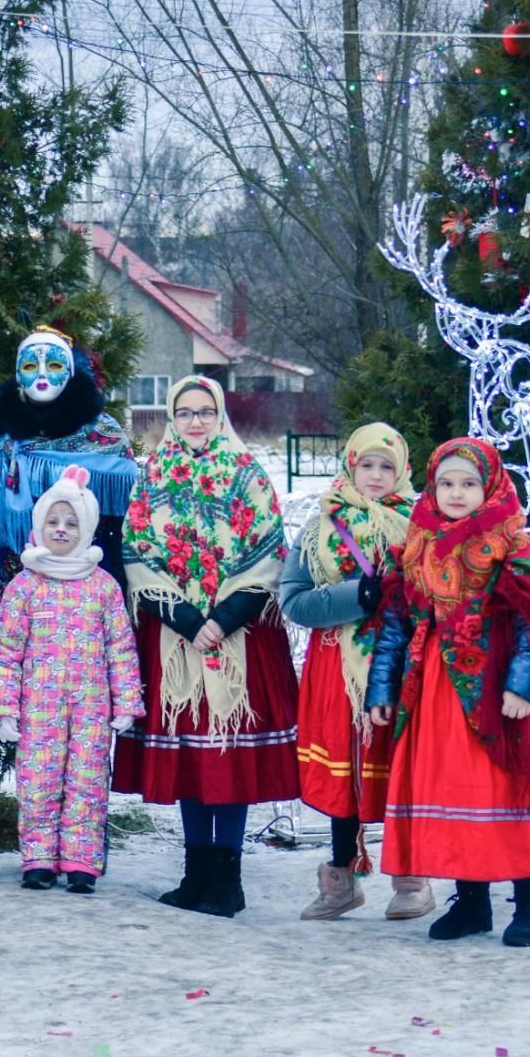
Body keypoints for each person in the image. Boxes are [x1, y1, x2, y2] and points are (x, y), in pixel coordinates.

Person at [111, 375, 299, 917]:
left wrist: (223, 617)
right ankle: (196, 873)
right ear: (173, 418)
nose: (196, 421)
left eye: (205, 411)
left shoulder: (247, 474)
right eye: (186, 412)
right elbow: (138, 551)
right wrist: (190, 620)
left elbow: (267, 549)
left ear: (220, 415)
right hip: (176, 634)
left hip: (239, 632)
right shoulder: (155, 476)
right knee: (192, 759)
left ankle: (228, 877)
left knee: (228, 754)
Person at [366, 437, 530, 947]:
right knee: (449, 787)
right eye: (446, 483)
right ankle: (471, 899)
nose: (456, 493)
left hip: (493, 685)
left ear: (490, 486)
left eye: (468, 483)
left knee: (499, 785)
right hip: (433, 688)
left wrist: (522, 684)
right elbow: (396, 619)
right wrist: (382, 688)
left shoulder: (513, 544)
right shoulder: (419, 542)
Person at [279, 423, 435, 921]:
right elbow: (294, 601)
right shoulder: (321, 525)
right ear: (349, 465)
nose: (375, 475)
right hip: (335, 667)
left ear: (403, 470)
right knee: (343, 772)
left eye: (386, 466)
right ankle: (342, 877)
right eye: (366, 464)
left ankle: (412, 877)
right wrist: (357, 597)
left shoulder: (423, 525)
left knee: (400, 767)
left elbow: (439, 592)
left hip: (402, 663)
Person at [0, 465, 143, 893]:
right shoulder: (24, 585)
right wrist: (2, 706)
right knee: (38, 780)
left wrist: (127, 701)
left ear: (87, 527)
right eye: (52, 521)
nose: (60, 529)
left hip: (92, 708)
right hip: (39, 707)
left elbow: (121, 648)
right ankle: (38, 858)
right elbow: (5, 651)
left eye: (71, 522)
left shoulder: (102, 586)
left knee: (87, 782)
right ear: (39, 525)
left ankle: (80, 861)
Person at [0, 326, 137, 650]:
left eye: (55, 366)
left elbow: (127, 519)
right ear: (19, 375)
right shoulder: (3, 441)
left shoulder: (104, 436)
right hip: (19, 582)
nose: (43, 376)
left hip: (89, 577)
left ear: (71, 373)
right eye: (31, 367)